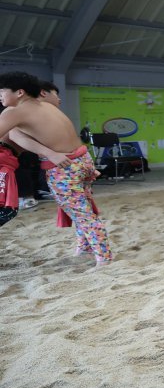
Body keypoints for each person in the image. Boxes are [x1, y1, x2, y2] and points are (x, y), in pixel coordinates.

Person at [0, 72, 113, 266]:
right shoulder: (45, 105)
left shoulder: (14, 112)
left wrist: (50, 154)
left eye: (2, 91)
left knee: (82, 215)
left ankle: (104, 257)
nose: (0, 96)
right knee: (81, 210)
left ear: (19, 92)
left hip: (64, 167)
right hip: (83, 160)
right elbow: (17, 135)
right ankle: (85, 248)